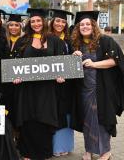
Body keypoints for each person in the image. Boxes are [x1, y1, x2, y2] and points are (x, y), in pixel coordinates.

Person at [71, 11, 124, 160]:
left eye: (88, 24)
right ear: (78, 28)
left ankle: (105, 152)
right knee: (87, 120)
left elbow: (114, 61)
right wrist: (74, 58)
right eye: (82, 25)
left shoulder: (105, 41)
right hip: (84, 90)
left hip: (102, 89)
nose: (85, 27)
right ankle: (89, 151)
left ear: (93, 26)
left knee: (102, 120)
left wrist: (93, 64)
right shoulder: (76, 44)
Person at [12, 8, 65, 160]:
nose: (36, 23)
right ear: (29, 22)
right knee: (28, 119)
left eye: (39, 21)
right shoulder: (23, 41)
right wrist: (15, 76)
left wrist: (61, 75)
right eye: (33, 21)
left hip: (46, 89)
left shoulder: (55, 40)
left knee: (44, 118)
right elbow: (15, 65)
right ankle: (27, 153)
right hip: (27, 88)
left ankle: (43, 153)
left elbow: (61, 63)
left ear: (44, 22)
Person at [48, 9, 75, 157]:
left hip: (66, 84)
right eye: (57, 21)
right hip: (50, 84)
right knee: (53, 111)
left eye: (63, 21)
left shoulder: (69, 40)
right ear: (52, 22)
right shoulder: (46, 38)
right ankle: (52, 146)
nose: (60, 23)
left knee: (65, 112)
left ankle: (64, 145)